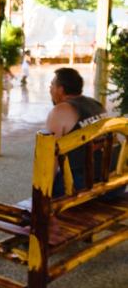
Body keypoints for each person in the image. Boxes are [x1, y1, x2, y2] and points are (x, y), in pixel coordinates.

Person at [46, 67, 122, 198]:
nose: (50, 89)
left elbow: (50, 158)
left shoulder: (60, 111)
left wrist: (44, 191)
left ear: (61, 89)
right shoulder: (96, 104)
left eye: (52, 85)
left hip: (88, 188)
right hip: (117, 183)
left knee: (49, 188)